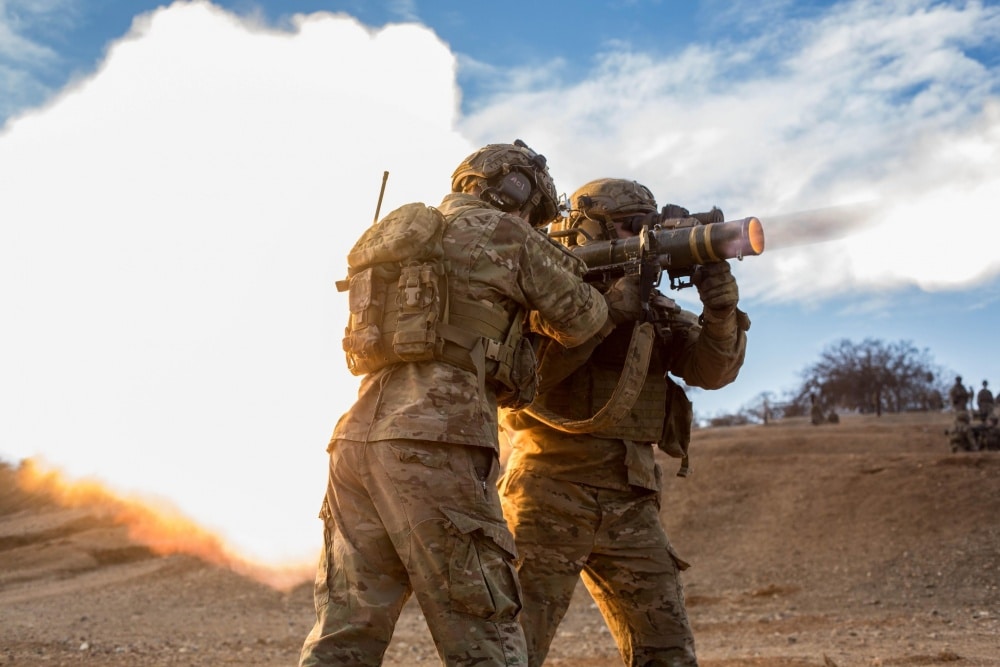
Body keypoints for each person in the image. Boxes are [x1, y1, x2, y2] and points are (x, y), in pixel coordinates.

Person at [299, 142, 618, 667]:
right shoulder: (507, 232)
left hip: (355, 439)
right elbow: (583, 319)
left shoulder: (403, 236)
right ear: (518, 191)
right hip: (438, 441)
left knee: (344, 633)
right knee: (483, 629)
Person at [498, 178, 750, 667]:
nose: (643, 235)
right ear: (587, 229)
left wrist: (720, 311)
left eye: (647, 226)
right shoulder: (546, 297)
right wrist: (605, 314)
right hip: (549, 490)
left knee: (667, 652)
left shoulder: (653, 309)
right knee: (512, 651)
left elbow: (712, 371)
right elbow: (527, 381)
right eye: (629, 226)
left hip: (631, 501)